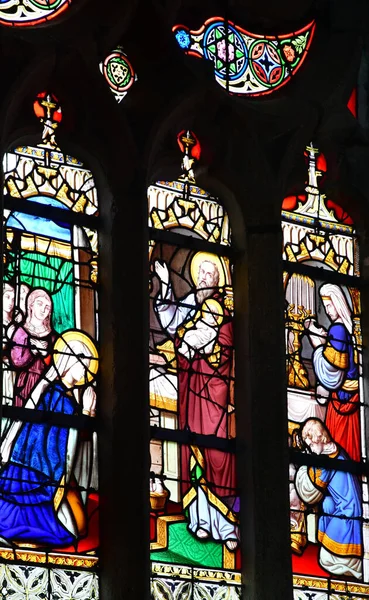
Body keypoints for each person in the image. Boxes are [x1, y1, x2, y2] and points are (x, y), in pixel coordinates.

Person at [154, 254, 239, 550]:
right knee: (194, 452)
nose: (203, 278)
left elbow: (218, 346)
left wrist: (198, 343)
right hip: (192, 390)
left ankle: (226, 525)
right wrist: (165, 286)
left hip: (214, 395)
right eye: (200, 273)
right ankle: (199, 521)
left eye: (209, 274)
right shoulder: (194, 304)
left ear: (217, 281)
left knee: (218, 456)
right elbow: (173, 323)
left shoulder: (222, 313)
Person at [0, 331, 98, 547]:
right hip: (40, 470)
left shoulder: (66, 396)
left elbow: (72, 441)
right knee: (67, 529)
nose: (85, 370)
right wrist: (86, 414)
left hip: (53, 469)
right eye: (82, 363)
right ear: (68, 361)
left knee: (79, 527)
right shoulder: (58, 396)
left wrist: (87, 414)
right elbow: (58, 439)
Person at [295, 419, 362, 578]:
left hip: (348, 512)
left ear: (319, 439)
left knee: (325, 560)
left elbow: (311, 491)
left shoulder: (329, 458)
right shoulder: (334, 450)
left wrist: (303, 469)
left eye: (311, 445)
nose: (311, 449)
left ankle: (352, 566)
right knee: (327, 502)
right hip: (346, 506)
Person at [304, 284, 360, 461]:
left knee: (340, 447)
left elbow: (332, 375)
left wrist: (318, 346)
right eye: (325, 306)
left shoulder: (338, 329)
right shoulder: (342, 330)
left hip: (343, 399)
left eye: (330, 305)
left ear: (338, 303)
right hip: (349, 397)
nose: (328, 311)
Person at [10, 288, 56, 408]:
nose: (43, 309)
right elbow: (16, 361)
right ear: (30, 305)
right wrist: (33, 351)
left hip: (46, 383)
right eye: (39, 304)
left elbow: (58, 365)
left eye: (47, 307)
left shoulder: (53, 337)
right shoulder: (21, 332)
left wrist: (45, 354)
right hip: (25, 382)